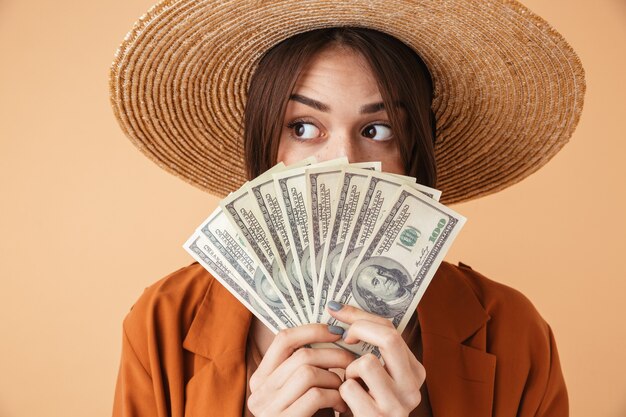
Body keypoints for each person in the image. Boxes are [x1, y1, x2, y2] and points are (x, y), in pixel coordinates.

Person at [109, 1, 585, 416]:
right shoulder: (163, 320)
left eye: (378, 130)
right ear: (263, 147)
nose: (344, 163)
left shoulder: (511, 331)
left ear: (414, 153)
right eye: (302, 127)